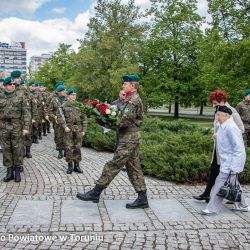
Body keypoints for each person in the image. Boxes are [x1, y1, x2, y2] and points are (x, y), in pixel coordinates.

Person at [77, 74, 149, 209]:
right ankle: (142, 198)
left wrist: (107, 124)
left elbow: (123, 122)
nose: (123, 86)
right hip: (129, 138)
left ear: (132, 86)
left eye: (125, 84)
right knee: (134, 168)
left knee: (114, 164)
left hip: (129, 139)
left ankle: (96, 191)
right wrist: (103, 118)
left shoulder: (134, 100)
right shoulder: (129, 99)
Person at [193, 90, 244, 202]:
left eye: (215, 103)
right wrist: (215, 131)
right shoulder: (218, 110)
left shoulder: (232, 112)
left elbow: (241, 129)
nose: (213, 105)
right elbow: (220, 126)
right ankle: (207, 194)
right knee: (214, 170)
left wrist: (221, 135)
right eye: (213, 103)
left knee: (232, 173)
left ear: (222, 101)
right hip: (219, 148)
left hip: (229, 149)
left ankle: (235, 195)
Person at [201, 106, 249, 215]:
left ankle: (212, 209)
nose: (217, 117)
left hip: (231, 162)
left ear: (227, 116)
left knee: (219, 183)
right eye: (216, 115)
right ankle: (243, 206)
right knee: (234, 184)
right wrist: (217, 135)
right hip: (227, 161)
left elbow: (238, 148)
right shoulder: (224, 125)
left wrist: (234, 166)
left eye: (219, 115)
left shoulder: (231, 127)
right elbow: (224, 135)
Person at [0, 77, 31, 182]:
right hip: (3, 126)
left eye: (13, 84)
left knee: (17, 148)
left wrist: (26, 127)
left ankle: (17, 171)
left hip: (16, 126)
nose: (13, 85)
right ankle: (9, 172)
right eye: (10, 84)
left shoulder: (20, 96)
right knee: (6, 149)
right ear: (5, 86)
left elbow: (27, 112)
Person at [57, 87, 87, 174]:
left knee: (77, 147)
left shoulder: (80, 105)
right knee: (69, 147)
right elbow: (60, 118)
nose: (74, 96)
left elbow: (84, 118)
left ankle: (77, 165)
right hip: (68, 129)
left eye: (75, 95)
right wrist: (64, 126)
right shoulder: (64, 106)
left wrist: (84, 130)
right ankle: (70, 165)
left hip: (78, 129)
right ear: (68, 96)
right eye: (72, 95)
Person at [49, 84, 67, 158]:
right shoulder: (54, 100)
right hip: (58, 122)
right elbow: (49, 111)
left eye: (65, 90)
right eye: (63, 90)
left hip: (66, 121)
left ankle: (66, 151)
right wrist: (54, 116)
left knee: (67, 136)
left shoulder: (67, 99)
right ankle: (60, 152)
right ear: (59, 92)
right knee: (59, 136)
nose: (65, 91)